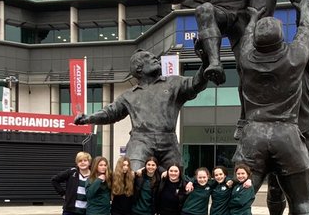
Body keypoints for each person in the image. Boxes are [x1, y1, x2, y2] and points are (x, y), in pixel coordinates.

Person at [233, 5, 309, 215]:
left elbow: (247, 37)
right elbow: (308, 33)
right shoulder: (294, 57)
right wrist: (306, 9)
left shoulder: (246, 59)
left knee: (239, 197)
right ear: (279, 39)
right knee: (302, 199)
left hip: (253, 136)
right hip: (287, 134)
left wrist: (251, 17)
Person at [75, 50, 210, 171]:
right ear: (138, 68)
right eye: (148, 57)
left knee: (176, 178)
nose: (154, 58)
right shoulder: (129, 95)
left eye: (153, 56)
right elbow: (110, 112)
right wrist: (89, 118)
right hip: (140, 140)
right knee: (132, 175)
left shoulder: (173, 83)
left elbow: (196, 84)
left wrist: (205, 62)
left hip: (168, 139)